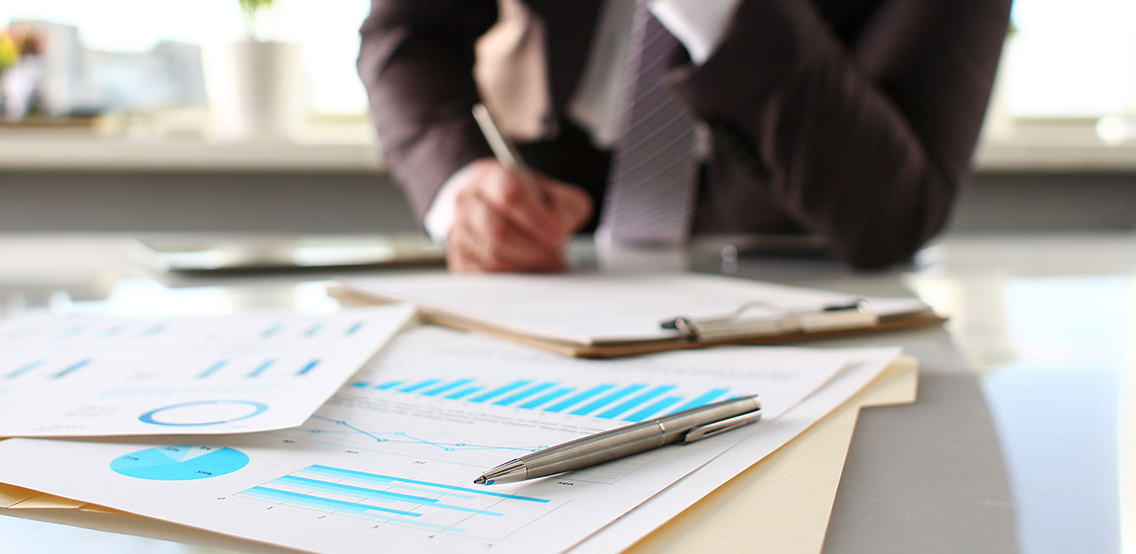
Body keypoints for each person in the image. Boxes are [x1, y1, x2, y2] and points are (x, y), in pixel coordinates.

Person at [357, 0, 1011, 272]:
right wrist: (462, 184)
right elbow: (407, 34)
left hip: (797, 269)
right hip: (550, 249)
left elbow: (894, 212)